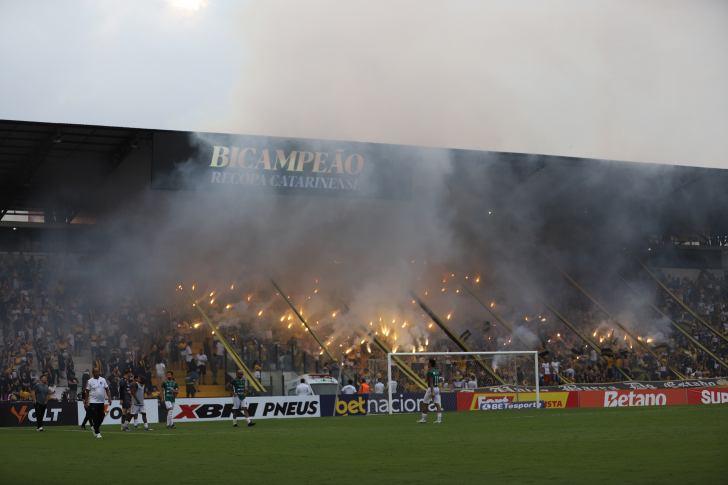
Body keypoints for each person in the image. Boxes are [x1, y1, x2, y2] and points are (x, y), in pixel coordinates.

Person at [84, 366, 112, 438]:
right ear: (93, 373)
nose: (97, 373)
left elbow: (107, 389)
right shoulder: (89, 381)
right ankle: (97, 432)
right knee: (95, 417)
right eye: (96, 372)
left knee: (102, 416)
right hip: (93, 402)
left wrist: (109, 398)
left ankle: (95, 427)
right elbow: (87, 392)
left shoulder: (103, 380)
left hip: (101, 401)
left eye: (98, 371)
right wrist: (86, 403)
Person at [417, 359, 442, 424]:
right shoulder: (436, 371)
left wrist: (432, 392)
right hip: (437, 388)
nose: (427, 364)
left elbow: (431, 382)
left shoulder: (429, 372)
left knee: (425, 403)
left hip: (432, 389)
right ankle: (439, 419)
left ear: (430, 364)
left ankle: (423, 419)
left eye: (428, 363)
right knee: (437, 404)